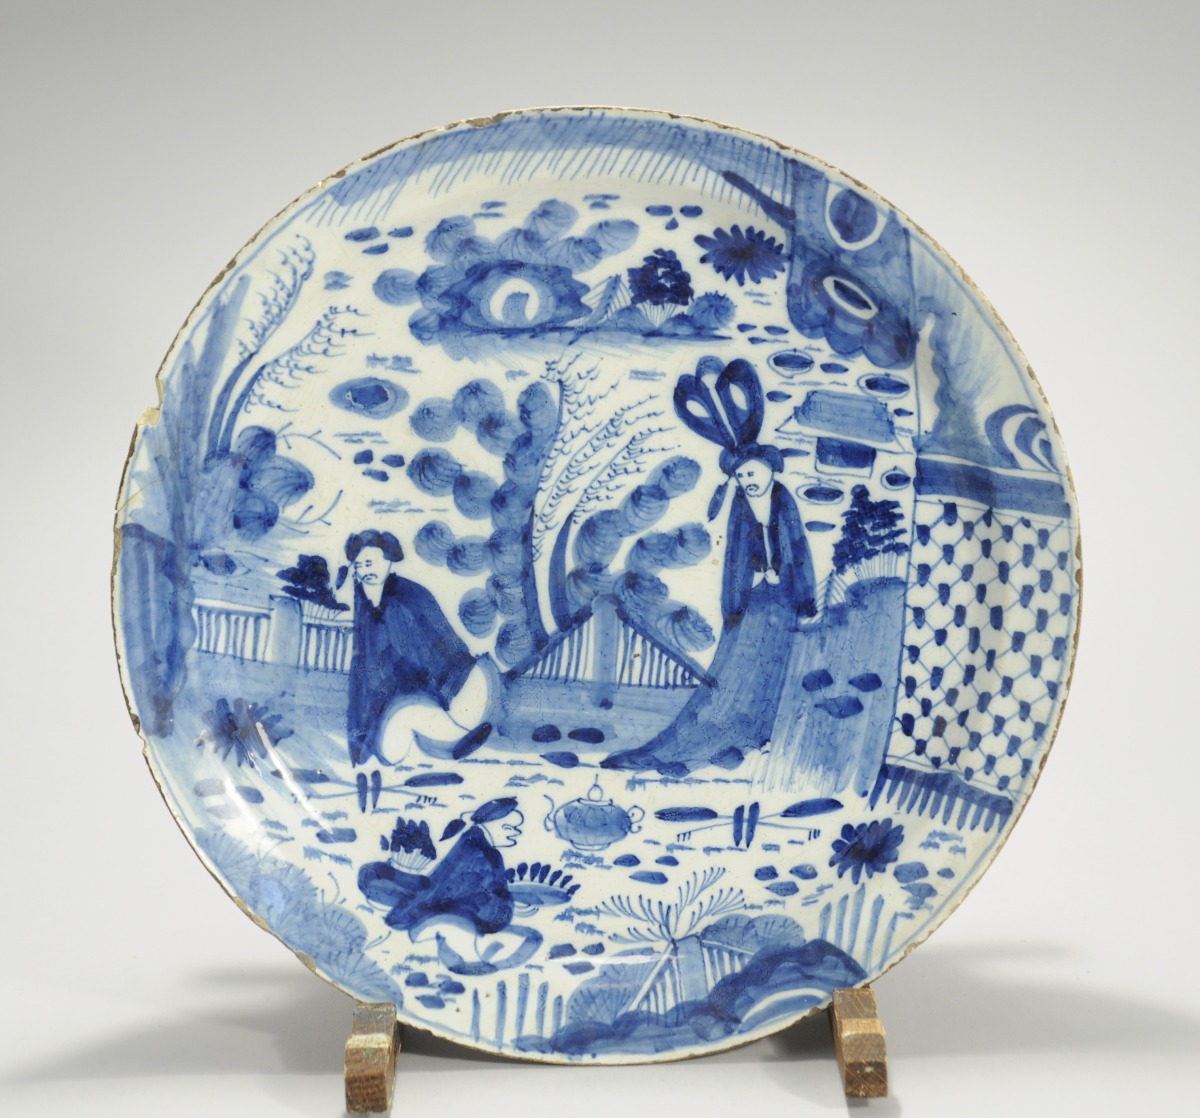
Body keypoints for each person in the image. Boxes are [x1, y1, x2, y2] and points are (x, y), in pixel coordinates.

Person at [604, 444, 816, 775]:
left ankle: (760, 735)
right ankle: (711, 742)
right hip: (754, 599)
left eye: (752, 472)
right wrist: (735, 604)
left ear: (770, 468)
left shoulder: (784, 501)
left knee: (775, 666)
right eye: (742, 476)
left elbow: (798, 548)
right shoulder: (741, 506)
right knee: (735, 666)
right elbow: (735, 557)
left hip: (785, 599)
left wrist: (805, 598)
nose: (748, 481)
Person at [344, 530, 484, 766]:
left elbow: (439, 639)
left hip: (420, 683)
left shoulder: (412, 595)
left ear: (388, 560)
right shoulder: (364, 604)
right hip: (385, 693)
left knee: (415, 714)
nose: (365, 571)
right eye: (358, 566)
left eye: (369, 563)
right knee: (391, 745)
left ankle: (454, 740)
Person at [358, 798, 542, 975]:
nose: (516, 832)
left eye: (517, 827)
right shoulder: (476, 850)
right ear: (489, 823)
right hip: (462, 914)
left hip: (477, 916)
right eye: (510, 827)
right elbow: (453, 887)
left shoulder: (490, 854)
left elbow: (493, 890)